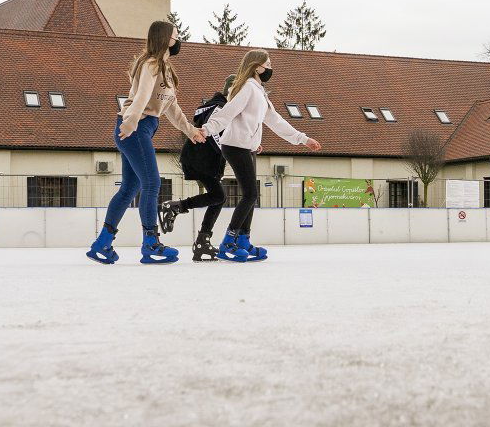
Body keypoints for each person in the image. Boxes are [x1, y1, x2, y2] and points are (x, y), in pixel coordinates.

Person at [88, 20, 206, 265]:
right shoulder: (150, 64)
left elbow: (172, 108)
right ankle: (151, 244)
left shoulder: (166, 70)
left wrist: (191, 130)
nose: (178, 40)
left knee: (130, 189)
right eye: (176, 36)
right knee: (151, 184)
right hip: (135, 126)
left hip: (144, 127)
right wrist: (130, 122)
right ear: (165, 38)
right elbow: (141, 96)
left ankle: (102, 243)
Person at [200, 49, 322, 261]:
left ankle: (243, 240)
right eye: (268, 63)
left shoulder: (260, 92)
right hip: (234, 145)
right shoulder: (247, 88)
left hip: (246, 147)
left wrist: (303, 138)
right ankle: (228, 242)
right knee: (250, 194)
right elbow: (227, 112)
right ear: (257, 66)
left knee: (251, 195)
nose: (270, 68)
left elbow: (276, 121)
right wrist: (207, 129)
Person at [157, 76, 234, 262]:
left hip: (203, 158)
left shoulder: (217, 105)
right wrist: (231, 151)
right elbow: (213, 131)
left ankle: (202, 242)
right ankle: (176, 207)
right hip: (201, 158)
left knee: (218, 198)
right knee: (218, 196)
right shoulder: (219, 106)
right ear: (231, 89)